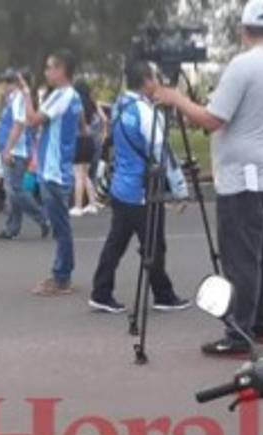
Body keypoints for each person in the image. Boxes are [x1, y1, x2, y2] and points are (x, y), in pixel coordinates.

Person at [156, 0, 263, 356]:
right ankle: (261, 323)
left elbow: (212, 120)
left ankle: (239, 333)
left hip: (244, 182)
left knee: (241, 258)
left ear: (244, 30)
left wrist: (176, 98)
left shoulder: (244, 65)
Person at [89, 61, 189, 315]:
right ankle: (163, 295)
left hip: (122, 188)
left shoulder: (122, 104)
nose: (158, 82)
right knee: (154, 244)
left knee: (116, 243)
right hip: (143, 190)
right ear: (146, 80)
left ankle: (101, 292)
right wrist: (179, 188)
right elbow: (161, 151)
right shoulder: (145, 112)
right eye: (155, 77)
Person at [19, 52, 84, 296]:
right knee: (60, 226)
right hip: (55, 167)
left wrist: (26, 94)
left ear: (62, 69)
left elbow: (33, 119)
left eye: (50, 68)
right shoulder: (69, 96)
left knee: (61, 227)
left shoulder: (64, 95)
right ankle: (60, 273)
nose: (46, 72)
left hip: (54, 171)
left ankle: (62, 277)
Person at [0, 68, 49, 241]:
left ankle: (42, 217)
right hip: (12, 150)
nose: (5, 85)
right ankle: (12, 227)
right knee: (12, 190)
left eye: (9, 82)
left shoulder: (19, 99)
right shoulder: (12, 100)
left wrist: (8, 149)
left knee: (15, 189)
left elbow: (18, 125)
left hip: (17, 151)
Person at [70, 80, 105, 216]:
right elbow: (103, 118)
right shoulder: (93, 104)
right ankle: (92, 203)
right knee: (85, 175)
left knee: (79, 174)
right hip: (90, 140)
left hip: (79, 140)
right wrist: (103, 133)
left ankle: (78, 205)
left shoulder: (76, 104)